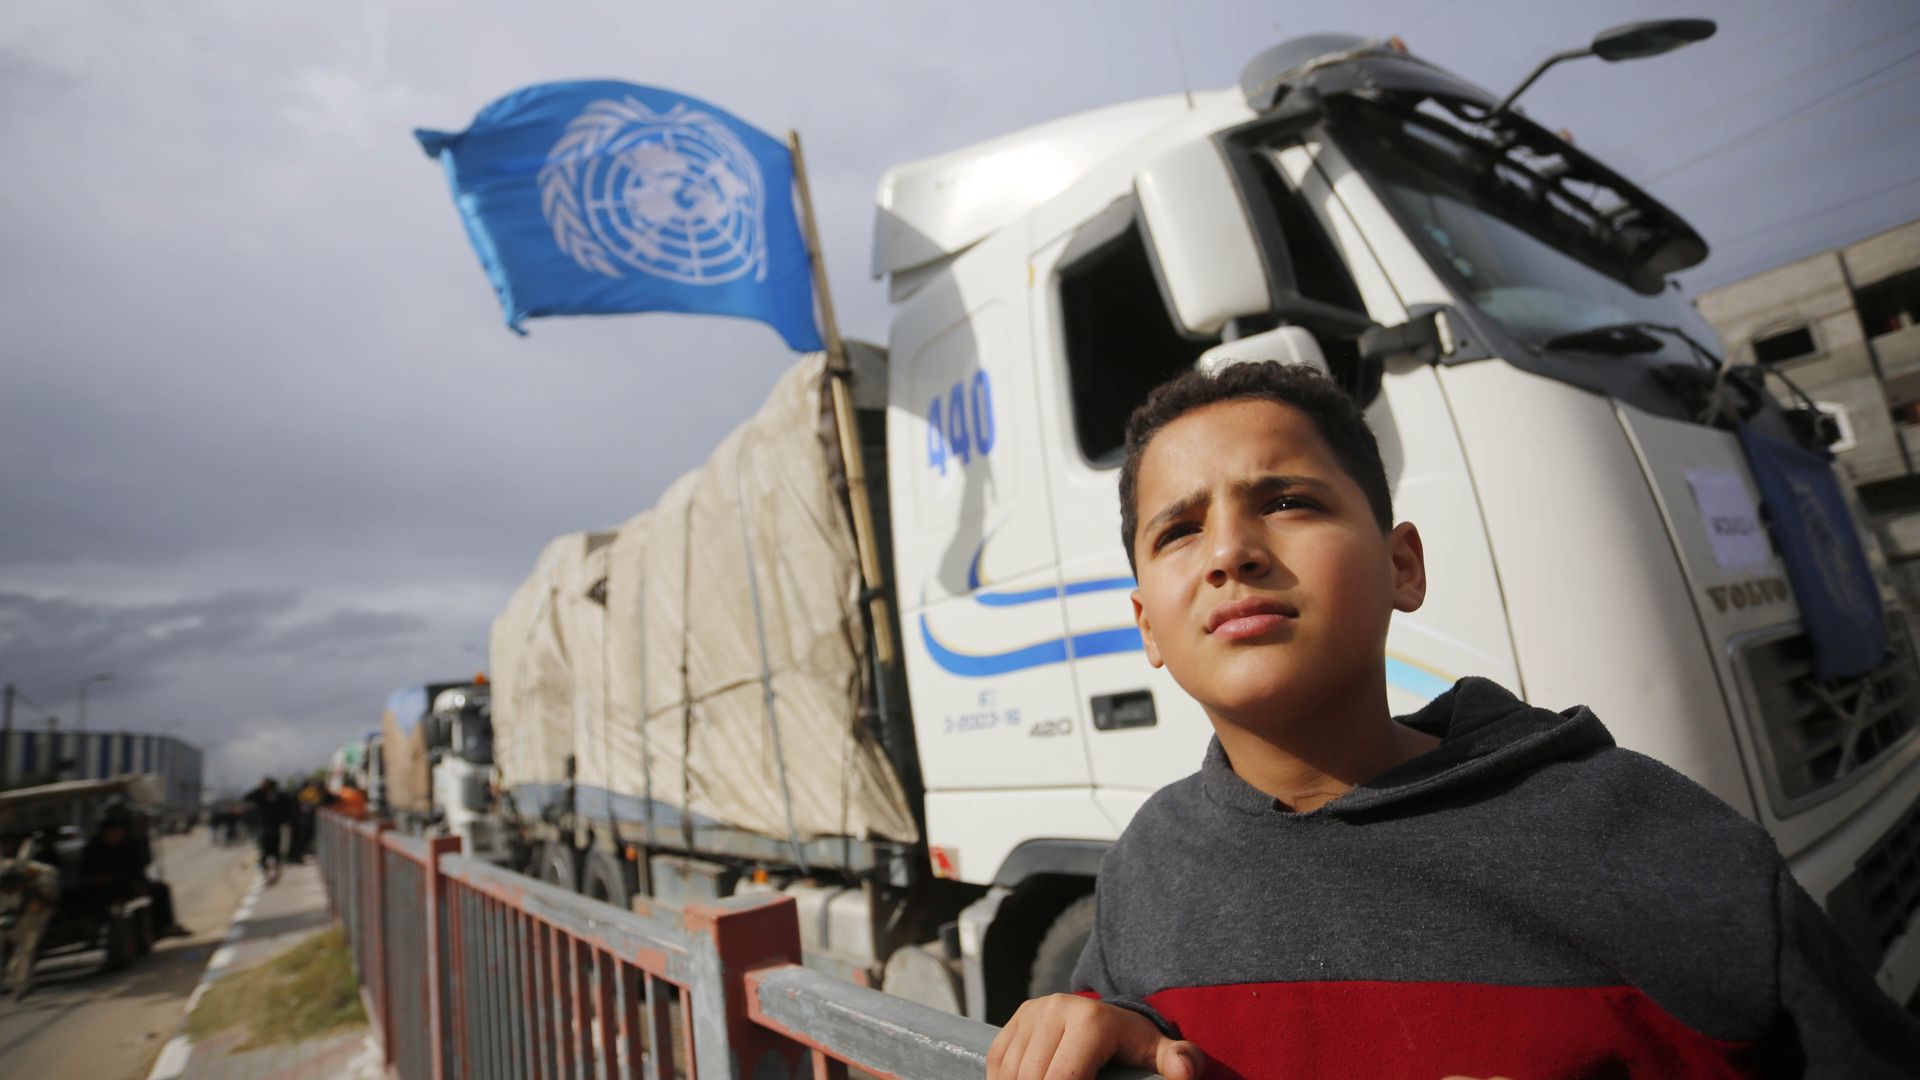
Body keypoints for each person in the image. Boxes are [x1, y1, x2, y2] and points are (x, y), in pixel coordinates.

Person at [986, 362, 1920, 1079]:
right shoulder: (1146, 871)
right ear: (1147, 624)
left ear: (1403, 567)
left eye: (1286, 501)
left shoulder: (1653, 843)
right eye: (1180, 530)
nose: (1231, 549)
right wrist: (1104, 1028)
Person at [77, 806, 188, 938]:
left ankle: (163, 927)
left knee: (160, 889)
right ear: (105, 833)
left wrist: (138, 884)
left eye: (119, 832)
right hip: (102, 889)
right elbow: (87, 875)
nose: (116, 835)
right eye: (113, 832)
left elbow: (136, 869)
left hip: (128, 884)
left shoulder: (127, 846)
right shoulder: (93, 850)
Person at [0, 829, 61, 1000]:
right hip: (6, 915)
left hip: (30, 916)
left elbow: (50, 891)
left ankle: (20, 985)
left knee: (25, 949)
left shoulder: (36, 870)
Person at [244, 777, 291, 883]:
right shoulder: (260, 795)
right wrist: (260, 789)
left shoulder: (279, 796)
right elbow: (247, 797)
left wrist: (286, 821)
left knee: (275, 852)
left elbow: (287, 806)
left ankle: (276, 872)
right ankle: (265, 874)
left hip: (275, 828)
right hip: (264, 828)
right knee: (264, 853)